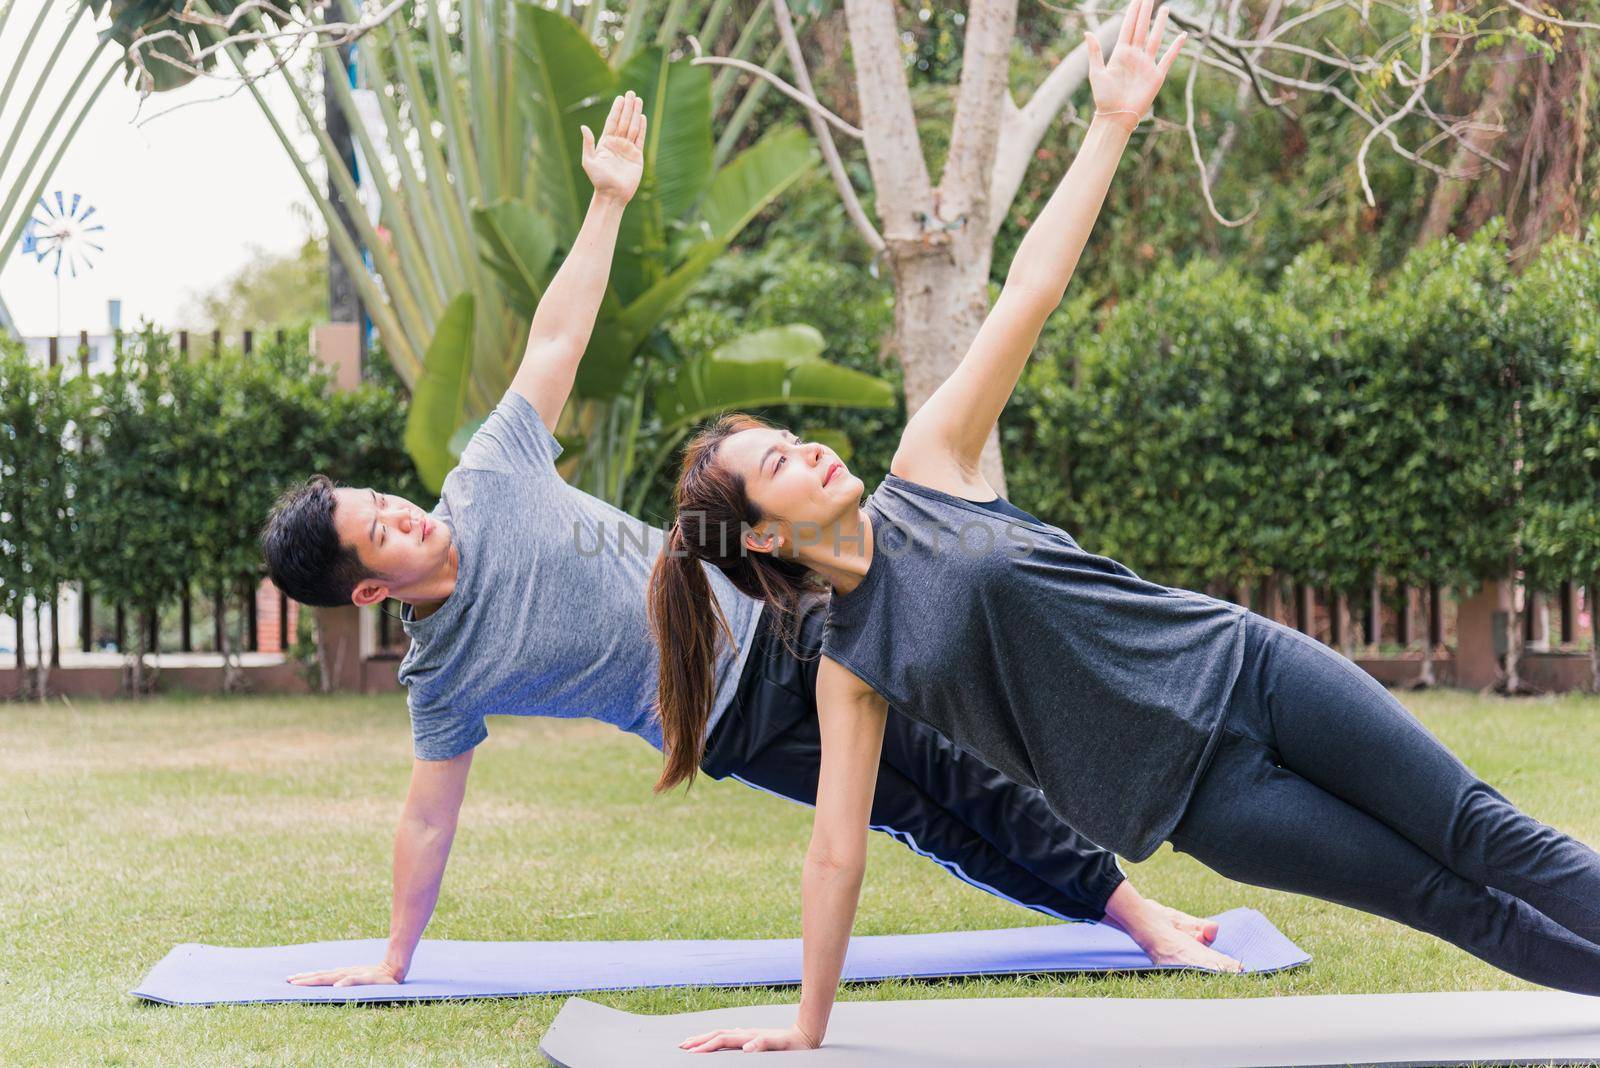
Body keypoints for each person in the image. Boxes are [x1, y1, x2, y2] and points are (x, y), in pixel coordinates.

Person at [652, 0, 1600, 1053]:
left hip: (1248, 671)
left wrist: (1108, 124)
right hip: (1205, 799)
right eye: (776, 462)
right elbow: (835, 851)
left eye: (790, 435)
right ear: (767, 538)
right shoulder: (851, 665)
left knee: (1484, 833)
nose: (809, 449)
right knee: (1443, 901)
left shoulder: (925, 466)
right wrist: (806, 1027)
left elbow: (1030, 291)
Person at [259, 89, 1229, 991]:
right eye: (379, 531)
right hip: (732, 729)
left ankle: (1143, 917)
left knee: (953, 761)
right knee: (923, 818)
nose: (404, 512)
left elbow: (555, 341)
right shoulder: (443, 676)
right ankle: (1127, 916)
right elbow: (429, 814)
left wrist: (607, 203)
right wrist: (393, 962)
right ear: (371, 592)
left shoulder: (489, 480)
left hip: (772, 616)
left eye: (384, 496)